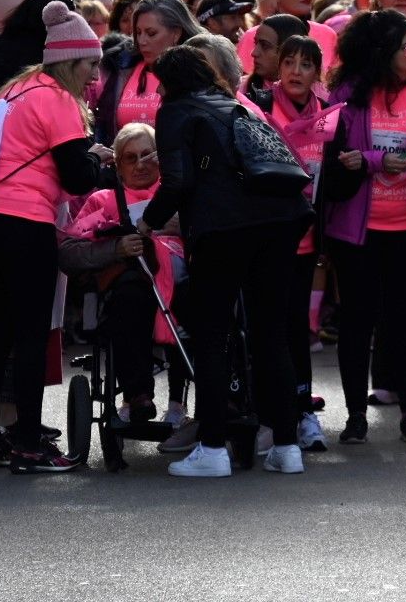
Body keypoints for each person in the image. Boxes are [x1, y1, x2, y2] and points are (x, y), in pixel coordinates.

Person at [138, 44, 314, 478]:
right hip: (281, 219)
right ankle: (287, 445)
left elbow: (178, 181)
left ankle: (213, 446)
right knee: (270, 336)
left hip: (225, 228)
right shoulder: (237, 106)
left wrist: (149, 221)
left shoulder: (177, 111)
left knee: (212, 335)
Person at [0, 1, 108, 473]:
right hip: (24, 224)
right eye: (90, 65)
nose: (93, 77)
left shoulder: (17, 89)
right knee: (28, 336)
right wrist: (97, 160)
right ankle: (27, 442)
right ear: (70, 60)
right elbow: (77, 178)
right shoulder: (58, 100)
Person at [320, 10, 406, 444]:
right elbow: (334, 158)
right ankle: (354, 417)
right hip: (355, 230)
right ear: (382, 54)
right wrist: (376, 160)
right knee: (356, 322)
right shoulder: (348, 94)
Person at [58, 122, 183, 425]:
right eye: (130, 158)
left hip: (181, 280)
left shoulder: (179, 195)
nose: (140, 164)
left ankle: (180, 404)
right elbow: (68, 252)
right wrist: (116, 248)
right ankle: (138, 395)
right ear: (118, 165)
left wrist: (181, 227)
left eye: (147, 155)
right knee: (128, 295)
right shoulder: (102, 200)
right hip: (131, 286)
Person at [259, 34, 334, 453]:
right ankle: (272, 415)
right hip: (268, 239)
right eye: (289, 62)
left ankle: (303, 412)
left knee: (296, 329)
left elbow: (335, 182)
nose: (296, 72)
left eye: (306, 65)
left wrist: (352, 165)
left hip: (307, 242)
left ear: (316, 74)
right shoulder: (259, 109)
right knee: (269, 330)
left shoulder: (330, 116)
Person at [93, 0, 198, 145]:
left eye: (151, 33)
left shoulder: (200, 72)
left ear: (176, 33)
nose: (142, 41)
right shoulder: (120, 67)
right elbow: (103, 128)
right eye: (138, 32)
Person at [242, 13, 309, 104]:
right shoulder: (238, 89)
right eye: (256, 43)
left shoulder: (320, 98)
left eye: (265, 46)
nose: (254, 53)